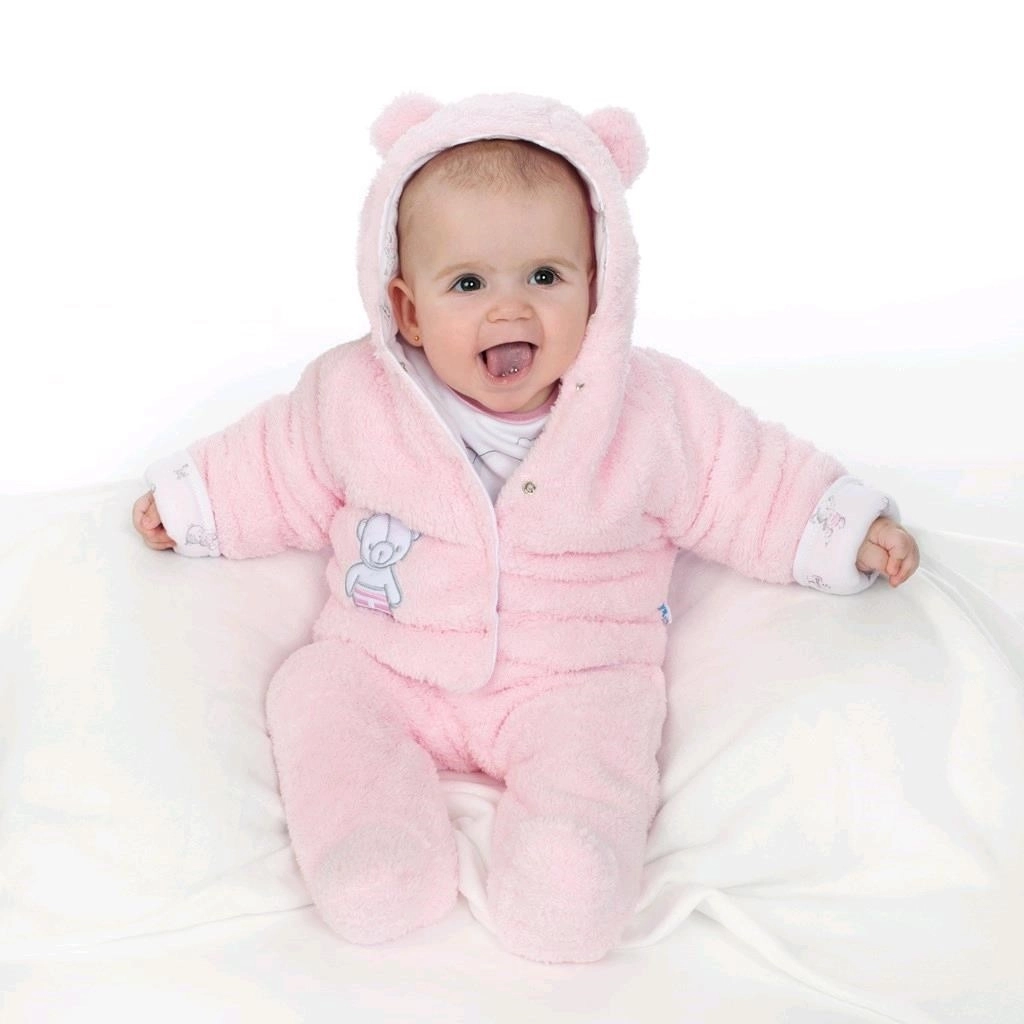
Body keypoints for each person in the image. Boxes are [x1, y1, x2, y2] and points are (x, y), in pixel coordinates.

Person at [131, 93, 919, 963]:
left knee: (601, 752)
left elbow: (746, 476)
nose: (510, 310)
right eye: (468, 284)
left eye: (545, 276)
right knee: (317, 693)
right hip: (390, 661)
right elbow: (277, 461)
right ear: (407, 309)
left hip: (575, 678)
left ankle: (567, 874)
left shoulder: (649, 409)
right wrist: (196, 501)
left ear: (601, 285)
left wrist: (841, 528)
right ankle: (374, 847)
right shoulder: (355, 397)